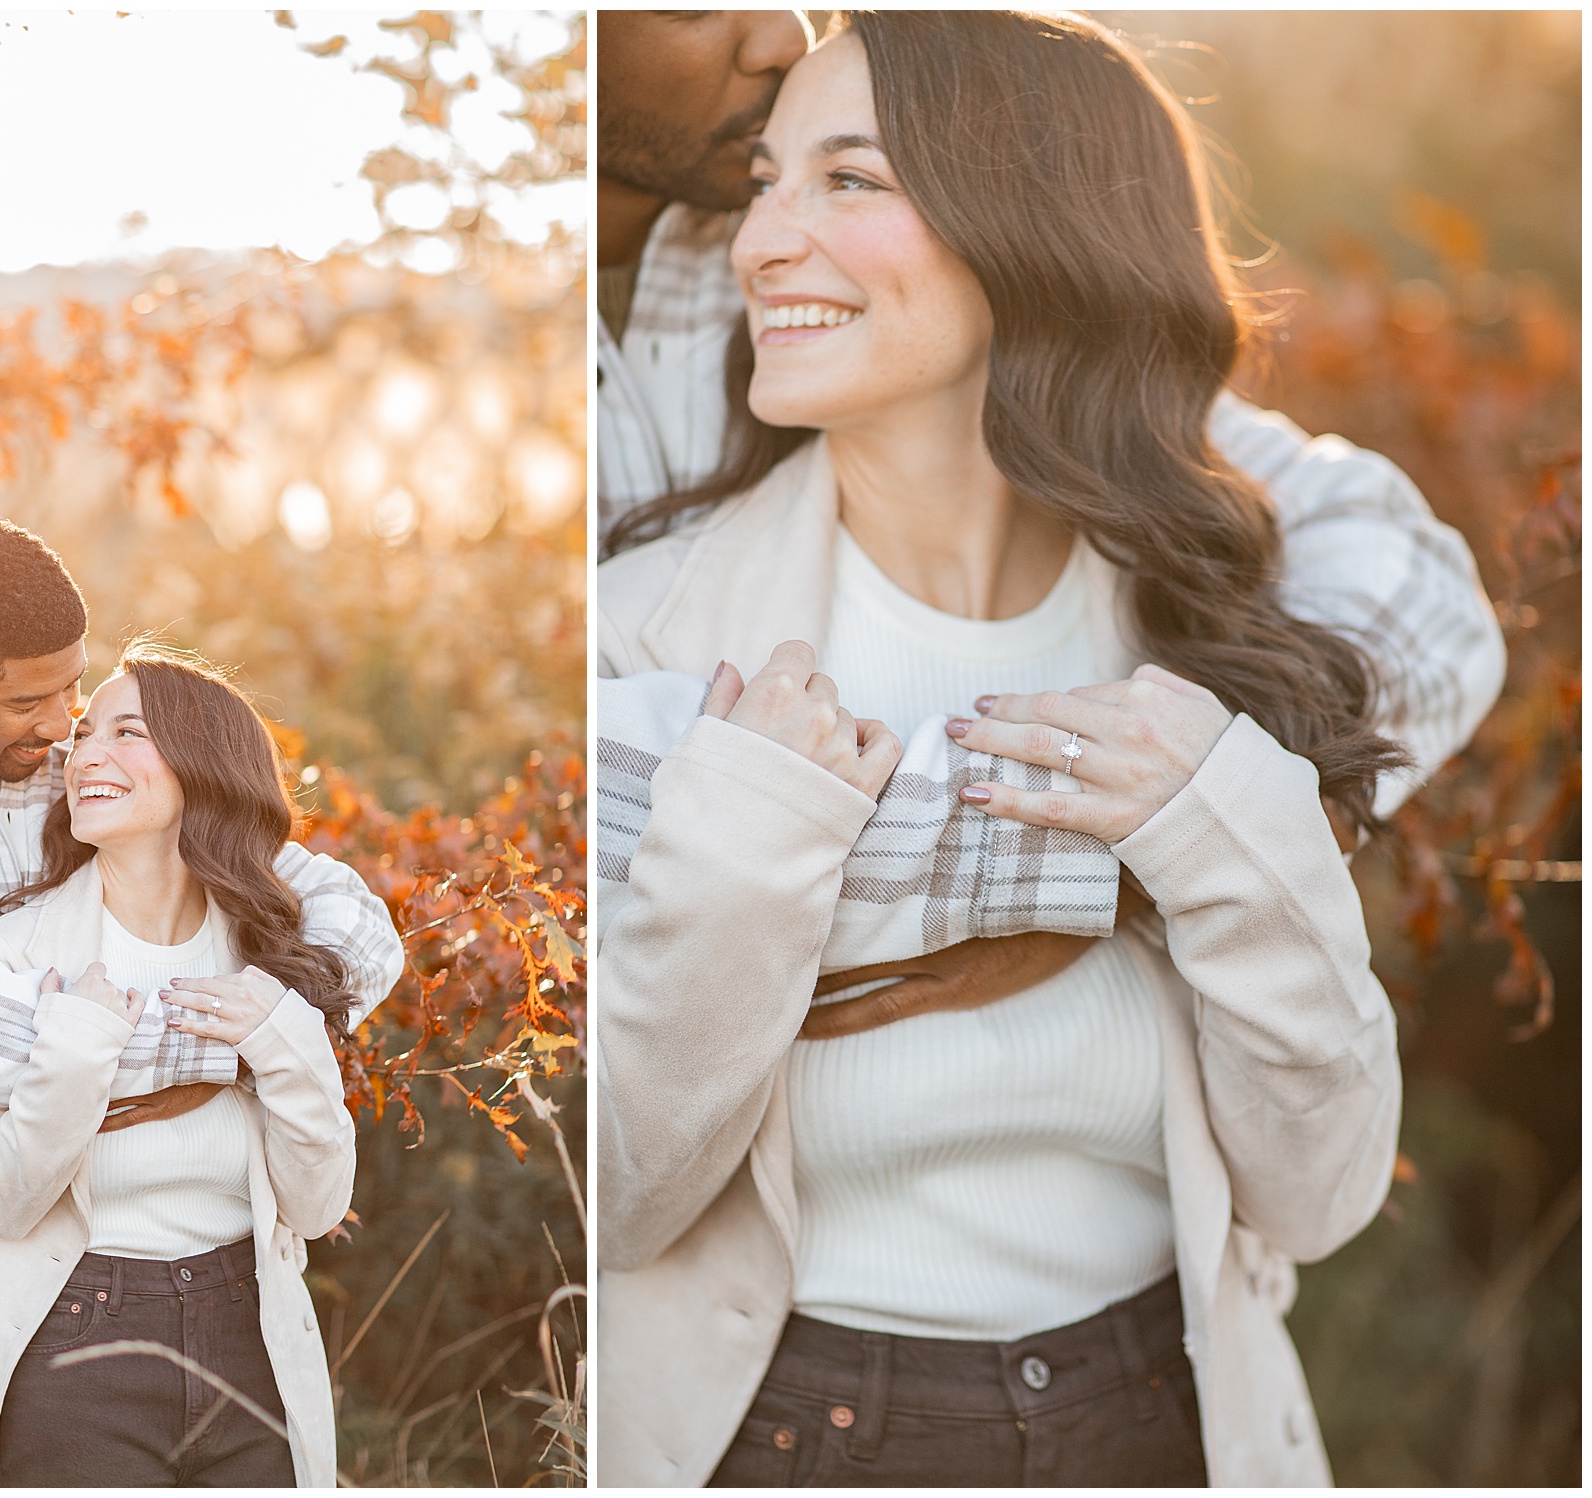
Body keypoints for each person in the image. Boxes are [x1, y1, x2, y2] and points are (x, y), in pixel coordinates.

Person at [594, 13, 1504, 1487]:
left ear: (1031, 227)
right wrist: (764, 846)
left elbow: (1321, 1190)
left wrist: (1212, 835)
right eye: (766, 182)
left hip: (1171, 1416)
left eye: (848, 181)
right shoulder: (647, 639)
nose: (764, 237)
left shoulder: (1210, 627)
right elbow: (627, 1192)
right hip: (792, 1434)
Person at [0, 521, 403, 1487]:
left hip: (54, 1300)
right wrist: (240, 1039)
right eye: (30, 699)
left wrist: (272, 1015)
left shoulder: (78, 774)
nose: (64, 722)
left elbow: (348, 924)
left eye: (75, 686)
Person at [0, 642, 356, 1486]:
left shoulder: (267, 949)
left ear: (201, 763)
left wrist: (281, 1036)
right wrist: (80, 1044)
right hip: (74, 1344)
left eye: (126, 732)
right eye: (85, 734)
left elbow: (317, 1207)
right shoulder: (14, 951)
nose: (86, 752)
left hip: (251, 1336)